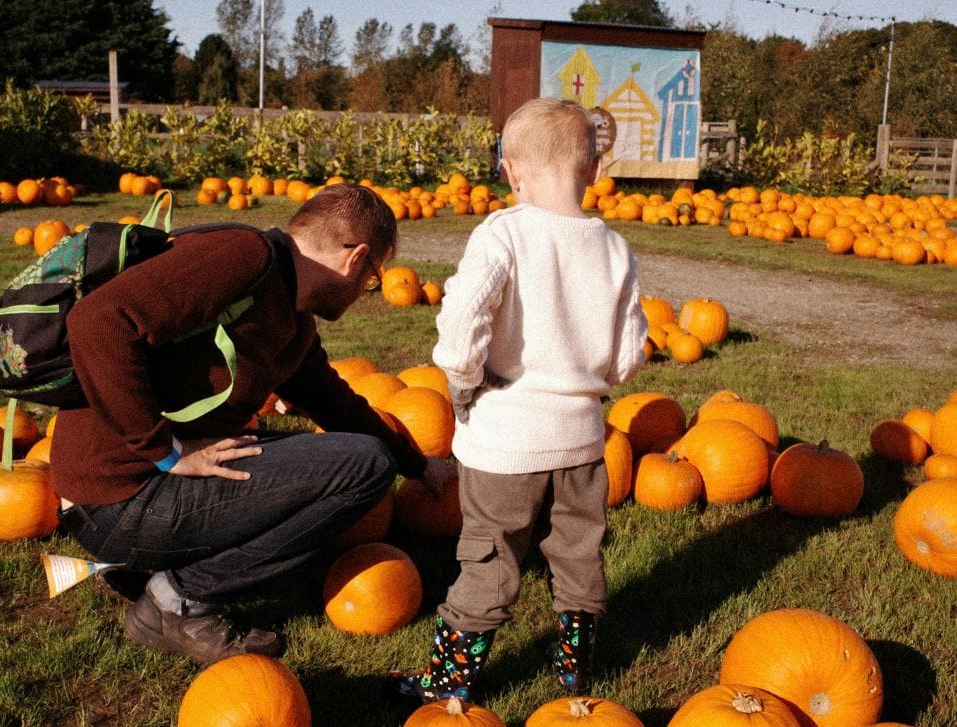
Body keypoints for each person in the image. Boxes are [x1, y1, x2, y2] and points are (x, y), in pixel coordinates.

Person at [50, 183, 455, 665]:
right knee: (364, 467)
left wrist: (418, 466)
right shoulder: (242, 258)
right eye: (372, 277)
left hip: (136, 493)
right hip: (115, 497)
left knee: (351, 456)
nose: (367, 290)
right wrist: (165, 450)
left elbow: (336, 403)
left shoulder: (289, 311)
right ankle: (178, 600)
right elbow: (98, 320)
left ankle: (149, 568)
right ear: (356, 258)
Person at [389, 98, 648, 702]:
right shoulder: (613, 249)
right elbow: (631, 350)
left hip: (504, 443)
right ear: (592, 172)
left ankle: (448, 683)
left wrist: (461, 376)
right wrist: (597, 376)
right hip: (582, 442)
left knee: (490, 560)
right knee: (579, 553)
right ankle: (574, 670)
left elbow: (464, 314)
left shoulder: (503, 232)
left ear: (511, 171)